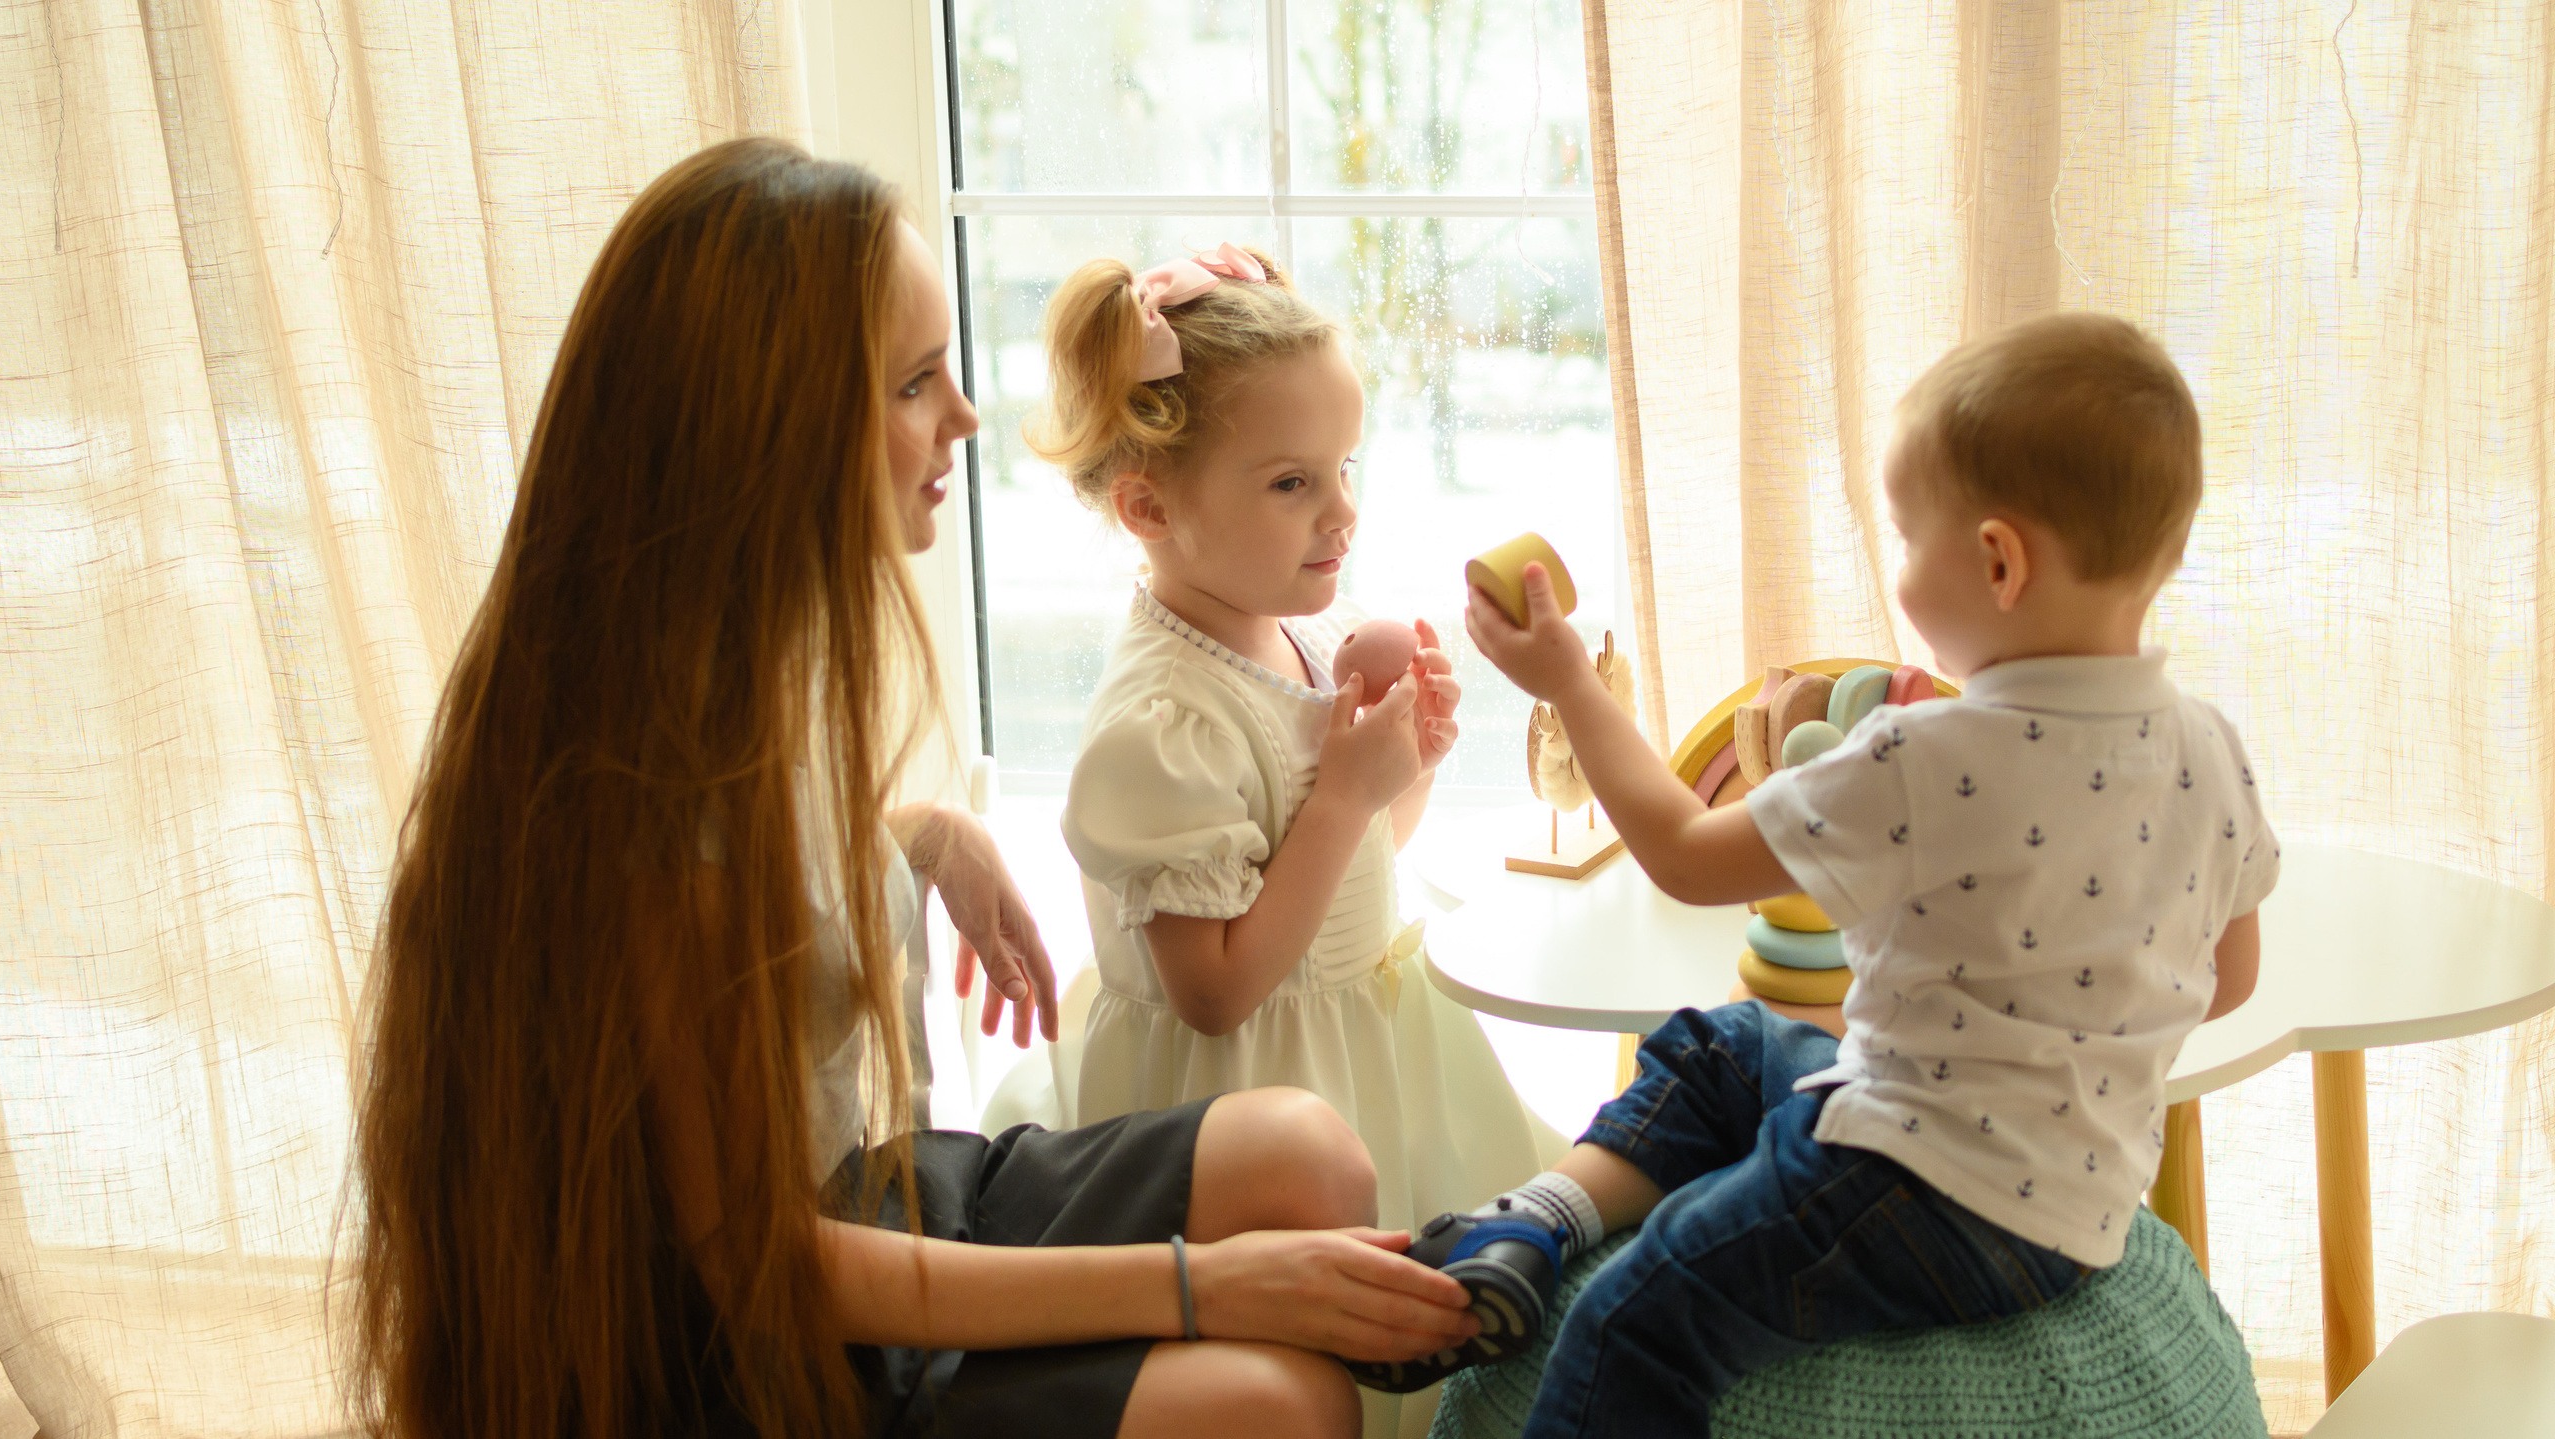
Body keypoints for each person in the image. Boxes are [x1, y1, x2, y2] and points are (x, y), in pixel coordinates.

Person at [349, 139, 1479, 1439]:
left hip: (878, 1195)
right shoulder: (643, 797)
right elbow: (766, 1265)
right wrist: (1199, 1282)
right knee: (1278, 1399)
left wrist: (924, 834)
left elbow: (757, 876)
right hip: (769, 1348)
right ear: (768, 431)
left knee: (1312, 1153)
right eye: (913, 382)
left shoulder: (731, 664)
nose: (965, 416)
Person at [1376, 312, 2279, 1436]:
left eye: (1906, 539)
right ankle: (1537, 1219)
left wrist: (1569, 681)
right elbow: (2229, 974)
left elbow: (1682, 852)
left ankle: (1560, 1247)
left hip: (1916, 1191)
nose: (1898, 570)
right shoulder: (2211, 750)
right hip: (2080, 1203)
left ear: (1998, 561)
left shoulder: (1927, 758)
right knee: (1731, 1045)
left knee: (1627, 1316)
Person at [1034, 243, 1551, 1250]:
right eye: (1290, 482)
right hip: (1248, 1109)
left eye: (1345, 468)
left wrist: (1405, 768)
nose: (1343, 510)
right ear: (1149, 507)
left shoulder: (1312, 636)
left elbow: (1347, 876)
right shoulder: (1161, 726)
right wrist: (1346, 797)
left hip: (1358, 1051)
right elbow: (1217, 992)